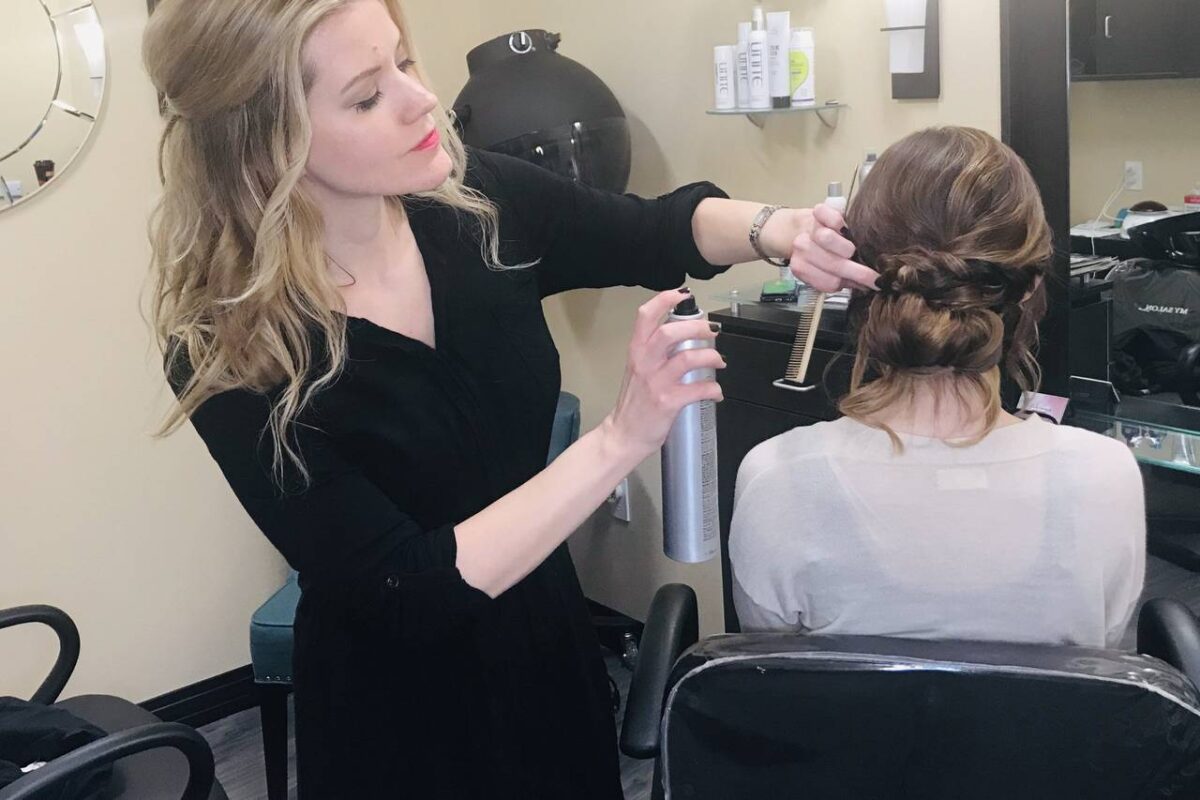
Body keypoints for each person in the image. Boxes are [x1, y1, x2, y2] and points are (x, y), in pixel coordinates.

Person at [141, 0, 863, 796]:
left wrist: (780, 228)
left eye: (403, 62)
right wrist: (620, 439)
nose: (422, 100)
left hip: (546, 654)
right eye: (367, 95)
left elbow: (655, 228)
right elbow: (407, 589)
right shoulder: (232, 352)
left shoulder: (476, 207)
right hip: (395, 720)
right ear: (264, 142)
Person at [730, 126, 1146, 650]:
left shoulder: (776, 479)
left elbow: (770, 674)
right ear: (1031, 286)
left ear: (858, 276)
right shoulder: (1107, 476)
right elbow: (1110, 671)